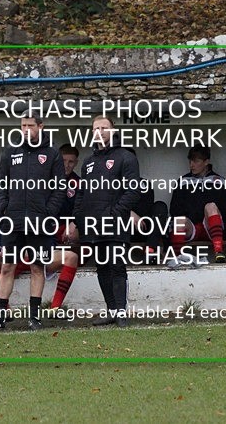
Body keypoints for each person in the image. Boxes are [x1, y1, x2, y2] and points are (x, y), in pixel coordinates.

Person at [0, 113, 65, 332]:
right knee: (7, 266)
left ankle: (34, 318)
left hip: (39, 222)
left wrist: (49, 212)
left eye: (30, 125)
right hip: (13, 221)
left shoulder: (52, 153)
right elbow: (0, 182)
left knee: (37, 267)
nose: (26, 129)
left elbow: (59, 187)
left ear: (40, 126)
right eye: (23, 125)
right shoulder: (11, 151)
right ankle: (0, 317)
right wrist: (4, 208)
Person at [69, 115, 140, 327]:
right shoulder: (89, 163)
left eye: (104, 127)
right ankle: (111, 310)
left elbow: (133, 191)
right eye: (96, 128)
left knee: (117, 266)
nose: (99, 131)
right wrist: (78, 219)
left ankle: (121, 312)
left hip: (116, 223)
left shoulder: (126, 157)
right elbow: (81, 194)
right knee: (102, 267)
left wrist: (116, 213)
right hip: (93, 225)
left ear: (112, 130)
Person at [0, 207, 80, 315]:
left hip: (38, 257)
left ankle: (55, 309)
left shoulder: (41, 206)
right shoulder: (0, 208)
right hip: (13, 258)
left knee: (71, 257)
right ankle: (4, 309)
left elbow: (50, 238)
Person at [167, 145, 226, 267]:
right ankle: (178, 257)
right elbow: (174, 209)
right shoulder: (183, 181)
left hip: (212, 226)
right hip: (192, 227)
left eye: (196, 161)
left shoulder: (219, 180)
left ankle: (219, 251)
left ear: (206, 162)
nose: (191, 165)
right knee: (179, 219)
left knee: (210, 206)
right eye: (190, 161)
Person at [125, 147, 168, 264]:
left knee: (160, 206)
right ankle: (118, 257)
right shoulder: (110, 184)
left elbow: (146, 207)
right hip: (123, 231)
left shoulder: (144, 184)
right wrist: (128, 212)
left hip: (143, 228)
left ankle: (150, 251)